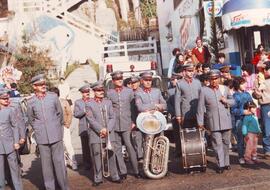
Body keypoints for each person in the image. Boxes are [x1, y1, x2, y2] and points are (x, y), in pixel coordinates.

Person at [26, 74, 69, 190]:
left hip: (56, 135)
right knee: (46, 166)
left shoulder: (53, 97)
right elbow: (31, 119)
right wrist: (38, 129)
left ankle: (64, 187)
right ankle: (50, 187)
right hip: (42, 137)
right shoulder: (30, 102)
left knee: (59, 163)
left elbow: (60, 115)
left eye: (44, 84)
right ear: (34, 86)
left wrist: (57, 130)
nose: (43, 86)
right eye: (40, 85)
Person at [197, 70, 235, 174]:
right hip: (213, 121)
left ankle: (226, 163)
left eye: (216, 78)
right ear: (209, 80)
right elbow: (200, 108)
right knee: (217, 144)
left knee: (226, 143)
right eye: (212, 79)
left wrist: (226, 101)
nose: (214, 81)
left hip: (226, 121)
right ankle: (220, 165)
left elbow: (233, 101)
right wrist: (200, 123)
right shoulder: (204, 90)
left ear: (219, 79)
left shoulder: (225, 89)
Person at [85, 81, 122, 186]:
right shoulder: (89, 104)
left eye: (102, 90)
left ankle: (115, 176)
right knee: (97, 156)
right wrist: (101, 129)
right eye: (98, 90)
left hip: (109, 133)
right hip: (96, 134)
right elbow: (90, 119)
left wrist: (108, 129)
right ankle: (98, 178)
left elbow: (112, 117)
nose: (101, 92)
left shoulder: (108, 102)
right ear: (94, 91)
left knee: (111, 154)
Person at [106, 71, 141, 179]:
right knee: (117, 149)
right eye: (117, 79)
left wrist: (134, 121)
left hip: (127, 123)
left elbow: (134, 108)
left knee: (130, 147)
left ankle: (136, 171)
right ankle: (123, 172)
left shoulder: (129, 91)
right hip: (114, 125)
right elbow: (107, 110)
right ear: (113, 81)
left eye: (121, 78)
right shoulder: (109, 93)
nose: (119, 80)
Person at [0, 88, 23, 190]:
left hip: (10, 144)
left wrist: (16, 141)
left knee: (14, 169)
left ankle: (18, 188)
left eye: (6, 98)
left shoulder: (10, 110)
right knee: (0, 171)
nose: (6, 100)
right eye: (3, 98)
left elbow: (15, 126)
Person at [50, 87, 78, 170]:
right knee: (59, 146)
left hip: (64, 126)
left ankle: (73, 162)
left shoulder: (64, 102)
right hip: (54, 128)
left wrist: (68, 124)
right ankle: (63, 162)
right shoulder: (49, 104)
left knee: (68, 144)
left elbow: (69, 113)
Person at [231, 77, 253, 164]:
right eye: (242, 83)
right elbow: (233, 110)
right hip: (239, 120)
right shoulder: (235, 96)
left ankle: (249, 156)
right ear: (237, 85)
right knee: (240, 140)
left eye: (245, 83)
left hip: (249, 120)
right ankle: (241, 156)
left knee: (250, 139)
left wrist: (252, 109)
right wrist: (242, 112)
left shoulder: (247, 94)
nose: (245, 85)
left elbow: (252, 104)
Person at [175, 64, 202, 129]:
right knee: (188, 134)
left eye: (192, 71)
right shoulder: (179, 83)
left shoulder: (197, 82)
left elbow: (201, 97)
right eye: (189, 71)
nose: (191, 73)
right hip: (186, 114)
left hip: (197, 113)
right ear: (185, 72)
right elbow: (177, 100)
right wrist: (178, 115)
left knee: (200, 133)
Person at [253, 61, 270, 157]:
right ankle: (267, 149)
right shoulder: (258, 80)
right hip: (265, 105)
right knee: (267, 128)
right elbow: (256, 94)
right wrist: (258, 91)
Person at [73, 84, 92, 170]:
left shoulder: (93, 100)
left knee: (94, 146)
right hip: (84, 128)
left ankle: (96, 163)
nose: (87, 93)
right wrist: (84, 111)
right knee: (85, 148)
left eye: (88, 91)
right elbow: (76, 114)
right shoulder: (78, 102)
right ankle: (87, 164)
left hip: (93, 128)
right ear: (82, 93)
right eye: (85, 92)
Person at [167, 73, 182, 156]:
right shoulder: (170, 91)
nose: (172, 81)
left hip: (184, 115)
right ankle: (178, 150)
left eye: (174, 79)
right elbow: (169, 104)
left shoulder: (183, 88)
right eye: (171, 80)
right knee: (176, 134)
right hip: (175, 116)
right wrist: (174, 114)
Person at [130, 76, 143, 161]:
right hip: (134, 119)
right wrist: (132, 121)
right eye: (132, 83)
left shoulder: (142, 92)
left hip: (144, 119)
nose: (133, 84)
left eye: (135, 82)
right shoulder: (130, 94)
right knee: (136, 139)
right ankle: (139, 157)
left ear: (139, 83)